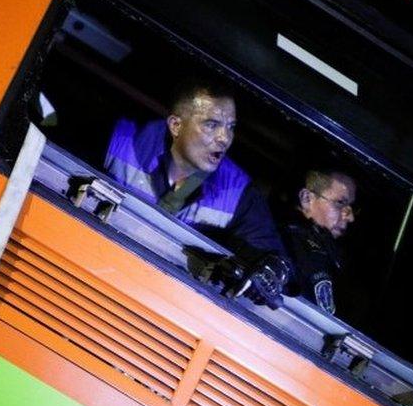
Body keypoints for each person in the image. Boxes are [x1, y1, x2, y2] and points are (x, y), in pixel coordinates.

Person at [103, 77, 291, 308]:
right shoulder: (121, 139)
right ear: (176, 125)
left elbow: (274, 258)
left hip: (167, 301)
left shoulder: (237, 190)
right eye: (212, 125)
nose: (224, 138)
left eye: (230, 127)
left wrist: (272, 271)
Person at [281, 168, 357, 315]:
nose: (350, 217)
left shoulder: (329, 248)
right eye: (340, 203)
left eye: (352, 208)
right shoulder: (291, 243)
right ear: (307, 199)